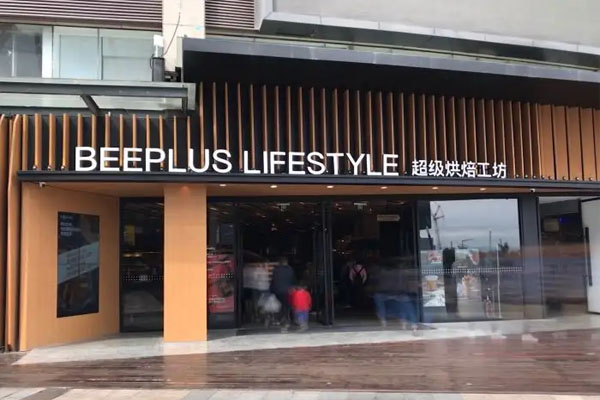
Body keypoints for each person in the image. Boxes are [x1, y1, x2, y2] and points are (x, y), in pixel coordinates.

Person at [270, 256, 296, 331]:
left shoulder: (276, 270)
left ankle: (280, 319)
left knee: (282, 304)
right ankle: (286, 319)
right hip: (287, 291)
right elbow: (293, 280)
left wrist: (272, 290)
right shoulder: (290, 269)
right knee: (286, 305)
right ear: (286, 262)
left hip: (277, 291)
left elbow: (273, 281)